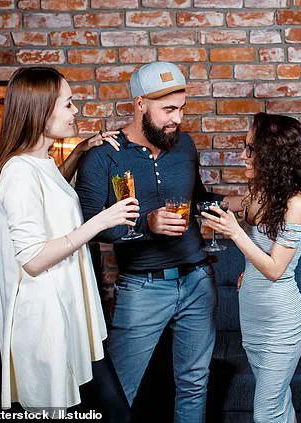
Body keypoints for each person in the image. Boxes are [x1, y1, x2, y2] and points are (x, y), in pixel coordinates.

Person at [74, 61, 227, 422]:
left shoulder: (184, 146)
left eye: (182, 108)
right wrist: (147, 224)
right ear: (140, 104)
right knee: (119, 392)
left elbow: (198, 199)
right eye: (169, 109)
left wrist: (247, 203)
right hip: (142, 288)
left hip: (197, 281)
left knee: (194, 384)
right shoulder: (104, 155)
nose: (178, 118)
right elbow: (88, 227)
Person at [0, 66, 137, 421]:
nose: (75, 111)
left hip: (69, 311)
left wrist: (82, 149)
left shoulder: (41, 163)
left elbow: (54, 193)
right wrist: (101, 221)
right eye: (68, 104)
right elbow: (33, 259)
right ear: (41, 111)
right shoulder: (18, 172)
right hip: (47, 322)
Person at [201, 112, 301, 423]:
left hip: (281, 323)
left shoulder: (296, 204)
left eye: (250, 149)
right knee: (280, 404)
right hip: (253, 317)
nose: (243, 155)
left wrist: (235, 232)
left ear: (272, 154)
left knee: (266, 413)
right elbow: (224, 204)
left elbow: (276, 269)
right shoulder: (259, 192)